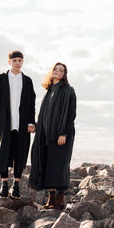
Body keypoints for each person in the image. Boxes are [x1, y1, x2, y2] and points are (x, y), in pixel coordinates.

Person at [29, 62, 76, 209]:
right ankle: (51, 199)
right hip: (45, 135)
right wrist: (37, 126)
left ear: (64, 75)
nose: (57, 71)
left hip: (61, 135)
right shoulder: (49, 90)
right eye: (55, 69)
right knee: (47, 164)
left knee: (60, 165)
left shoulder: (68, 91)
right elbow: (44, 113)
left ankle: (60, 199)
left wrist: (64, 133)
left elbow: (71, 114)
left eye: (61, 70)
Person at [0, 50, 36, 199]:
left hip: (22, 125)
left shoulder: (27, 81)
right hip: (4, 123)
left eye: (20, 60)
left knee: (20, 154)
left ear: (22, 62)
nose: (17, 63)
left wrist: (31, 121)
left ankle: (16, 186)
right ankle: (4, 185)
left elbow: (31, 103)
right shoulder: (1, 79)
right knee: (2, 154)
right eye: (14, 60)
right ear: (9, 61)